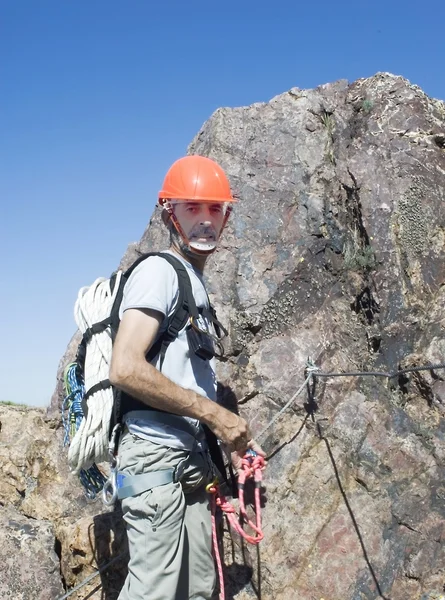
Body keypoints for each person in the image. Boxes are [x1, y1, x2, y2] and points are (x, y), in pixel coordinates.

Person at [109, 155, 265, 600]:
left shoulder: (195, 284)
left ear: (227, 216)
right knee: (154, 593)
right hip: (156, 461)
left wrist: (227, 443)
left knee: (197, 589)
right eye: (192, 208)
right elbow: (125, 366)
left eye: (215, 209)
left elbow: (183, 376)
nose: (205, 220)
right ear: (168, 213)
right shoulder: (159, 271)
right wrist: (214, 415)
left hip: (190, 464)